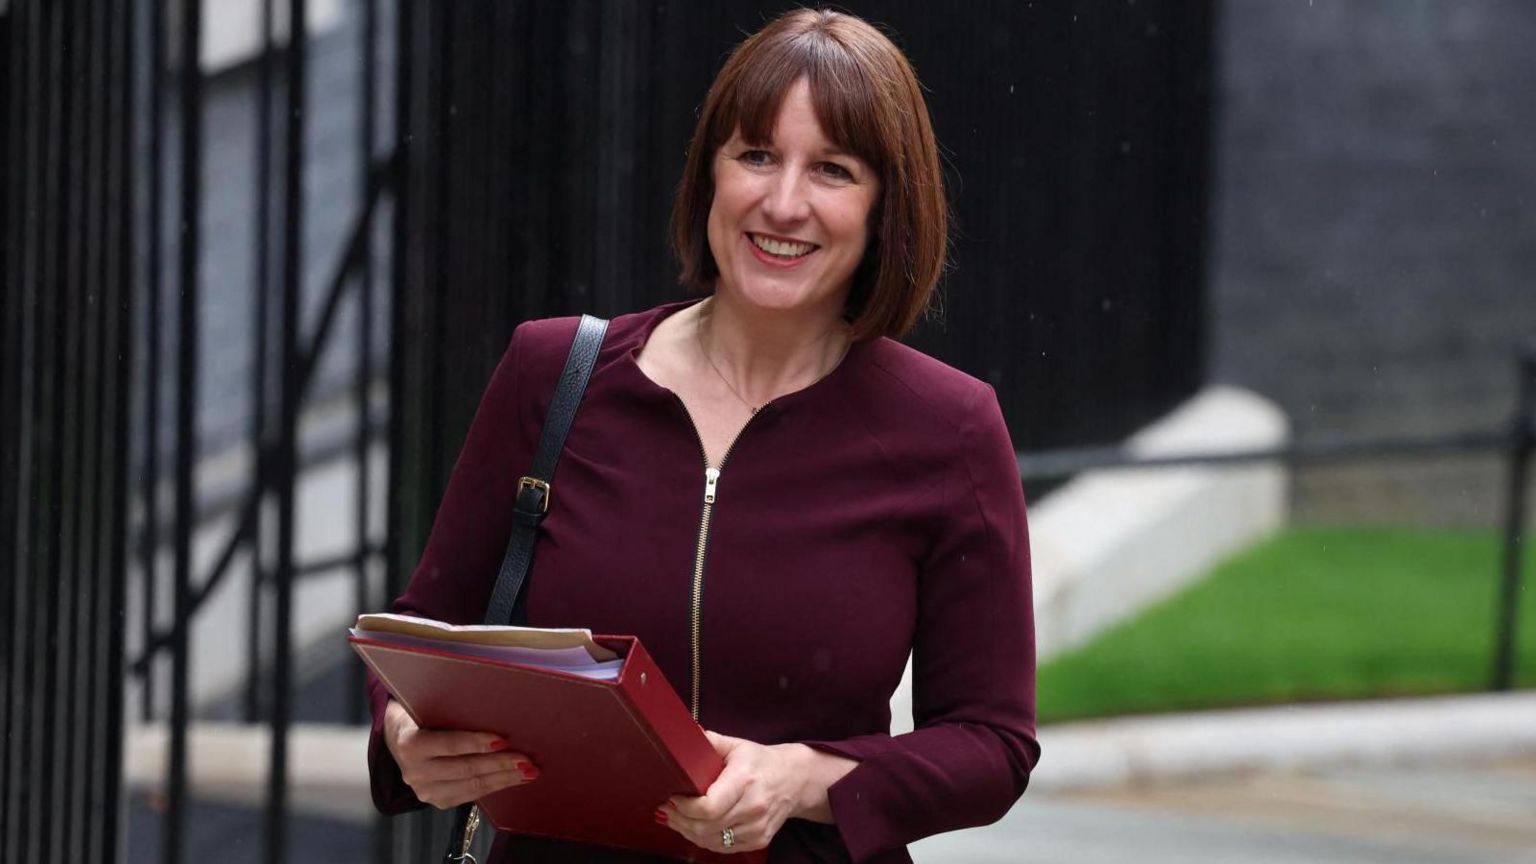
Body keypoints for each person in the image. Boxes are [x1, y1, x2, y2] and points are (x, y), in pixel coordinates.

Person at [367, 8, 1039, 862]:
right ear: (710, 174)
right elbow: (423, 630)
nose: (783, 202)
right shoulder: (553, 374)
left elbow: (992, 743)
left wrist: (805, 779)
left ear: (884, 210)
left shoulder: (949, 428)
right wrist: (403, 733)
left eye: (832, 170)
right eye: (756, 155)